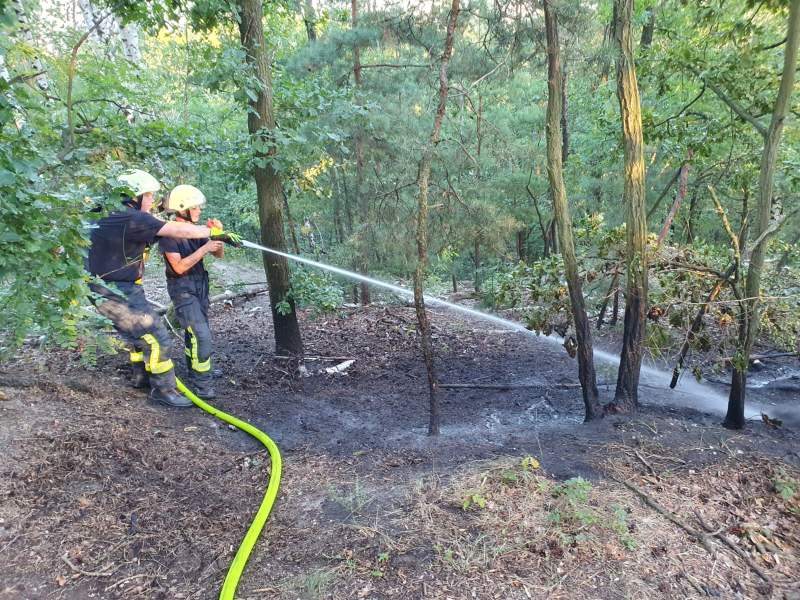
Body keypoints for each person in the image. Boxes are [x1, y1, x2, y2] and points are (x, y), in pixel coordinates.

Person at [86, 169, 240, 407]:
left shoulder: (110, 214)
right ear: (133, 196)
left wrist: (213, 238)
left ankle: (142, 377)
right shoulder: (132, 218)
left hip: (119, 286)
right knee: (157, 338)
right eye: (148, 196)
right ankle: (164, 389)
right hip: (113, 290)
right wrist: (213, 233)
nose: (152, 201)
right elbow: (176, 231)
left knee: (142, 337)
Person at [159, 185, 224, 399]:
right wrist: (204, 248)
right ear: (182, 208)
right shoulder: (169, 234)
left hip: (200, 285)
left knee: (194, 334)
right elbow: (177, 267)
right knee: (201, 335)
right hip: (182, 288)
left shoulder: (196, 231)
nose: (199, 211)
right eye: (195, 207)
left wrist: (219, 236)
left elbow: (219, 255)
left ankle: (195, 370)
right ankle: (202, 384)